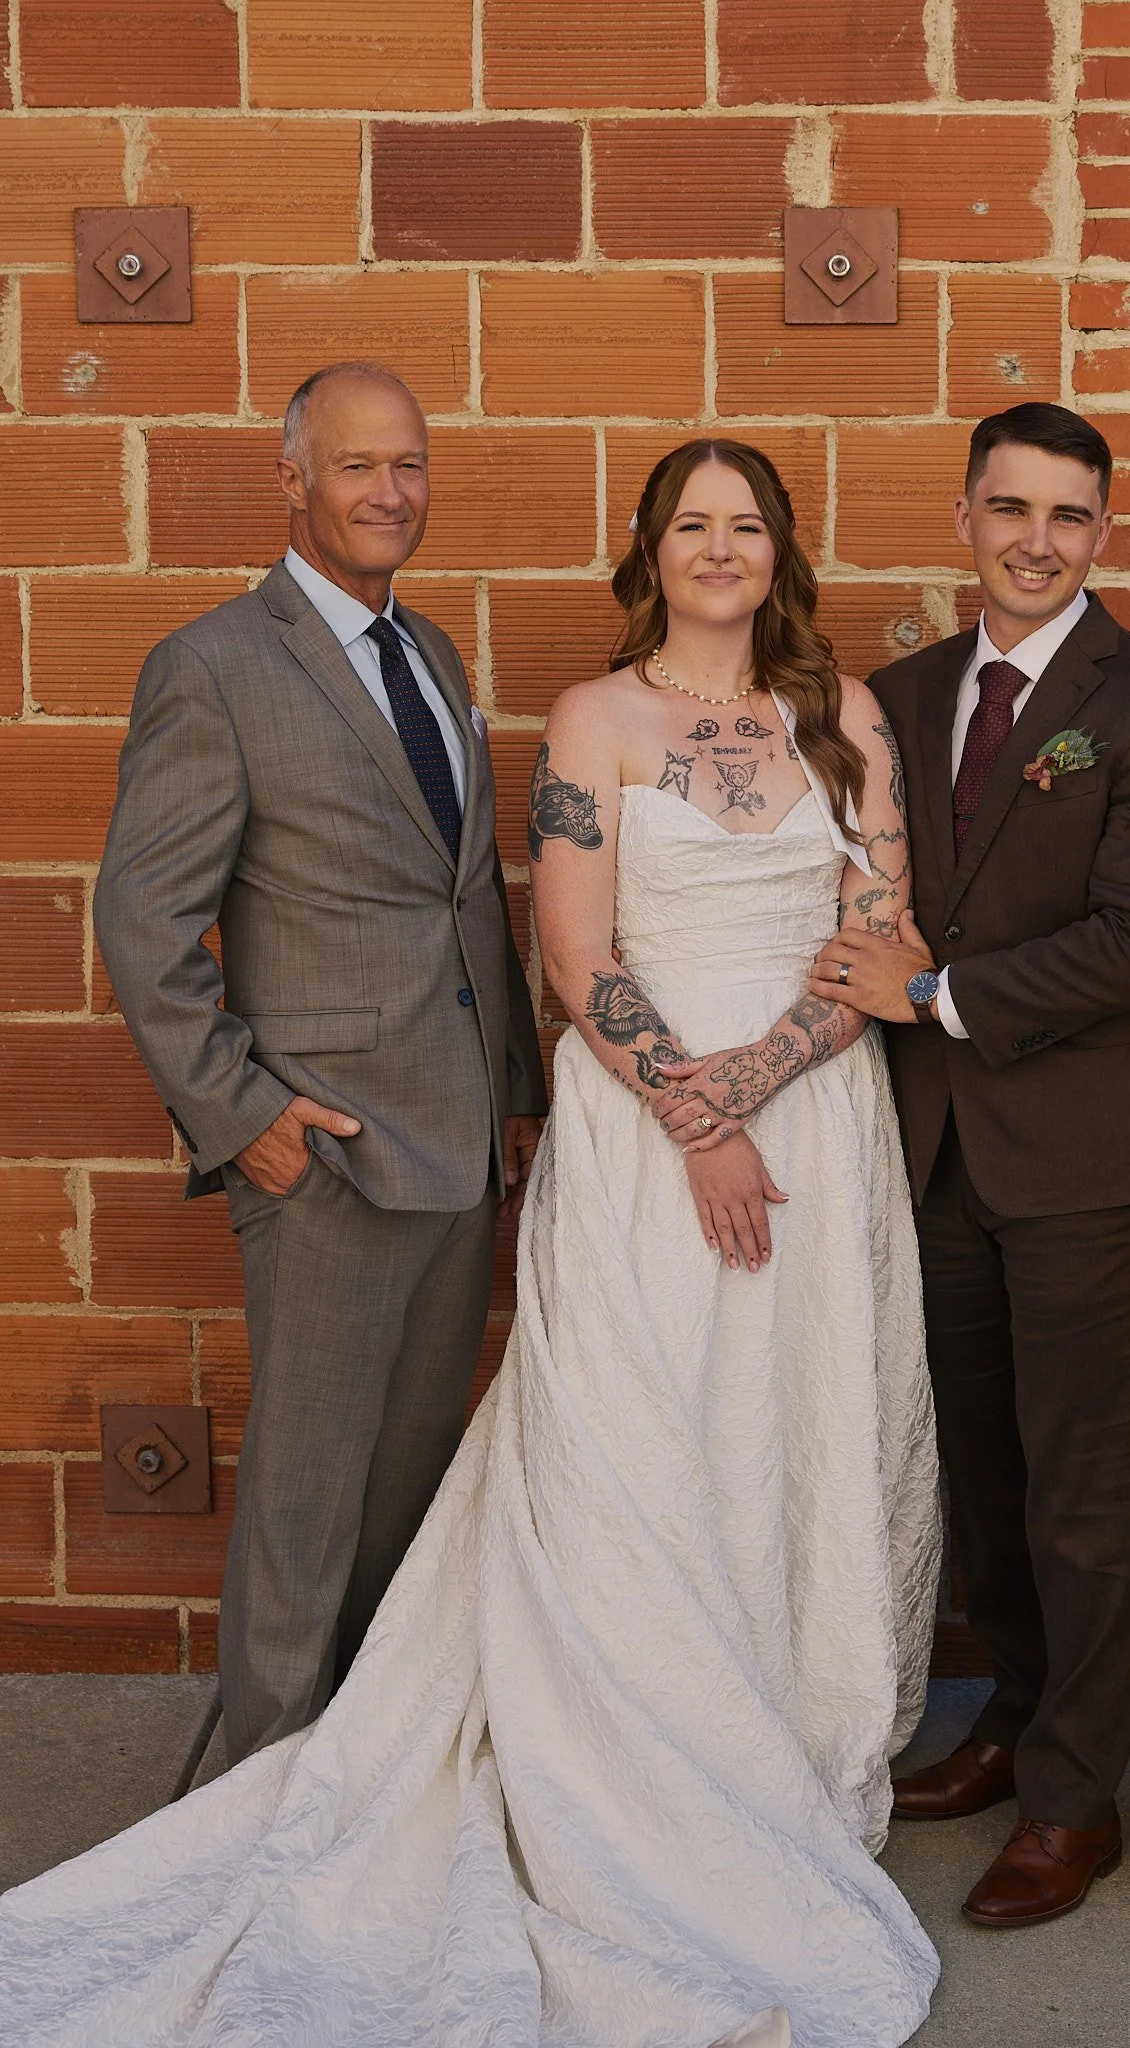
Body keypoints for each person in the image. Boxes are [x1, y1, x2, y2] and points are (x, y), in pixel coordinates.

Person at [0, 437, 939, 2048]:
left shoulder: (846, 719)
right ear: (649, 549)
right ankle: (618, 1764)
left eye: (747, 525)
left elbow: (880, 936)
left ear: (784, 551)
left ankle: (785, 1743)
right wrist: (698, 1115)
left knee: (804, 1419)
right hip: (650, 1135)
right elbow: (571, 954)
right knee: (648, 1432)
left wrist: (764, 1083)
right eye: (691, 524)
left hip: (815, 1123)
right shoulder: (594, 719)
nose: (720, 549)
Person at [93, 360, 546, 1764]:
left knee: (403, 1493)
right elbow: (143, 920)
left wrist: (513, 1094)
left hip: (456, 1145)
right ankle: (261, 1793)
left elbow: (464, 896)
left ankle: (360, 1773)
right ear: (292, 479)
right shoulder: (215, 667)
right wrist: (248, 1117)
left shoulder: (433, 652)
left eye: (408, 464)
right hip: (326, 1154)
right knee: (306, 1501)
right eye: (357, 465)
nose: (389, 492)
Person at [807, 402, 1130, 1927]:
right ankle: (1012, 1718)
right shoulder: (902, 696)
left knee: (1083, 1489)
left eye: (1067, 515)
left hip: (1079, 1163)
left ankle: (1073, 1800)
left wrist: (930, 993)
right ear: (965, 518)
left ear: (1101, 532)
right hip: (931, 1154)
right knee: (980, 1473)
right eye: (1009, 508)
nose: (1035, 541)